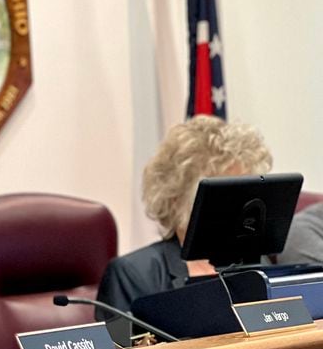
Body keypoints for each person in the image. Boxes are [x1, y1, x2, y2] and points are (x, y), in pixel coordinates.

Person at [96, 116, 273, 316]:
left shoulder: (255, 263)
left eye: (244, 191)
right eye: (224, 192)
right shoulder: (133, 274)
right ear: (176, 197)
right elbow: (127, 345)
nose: (238, 205)